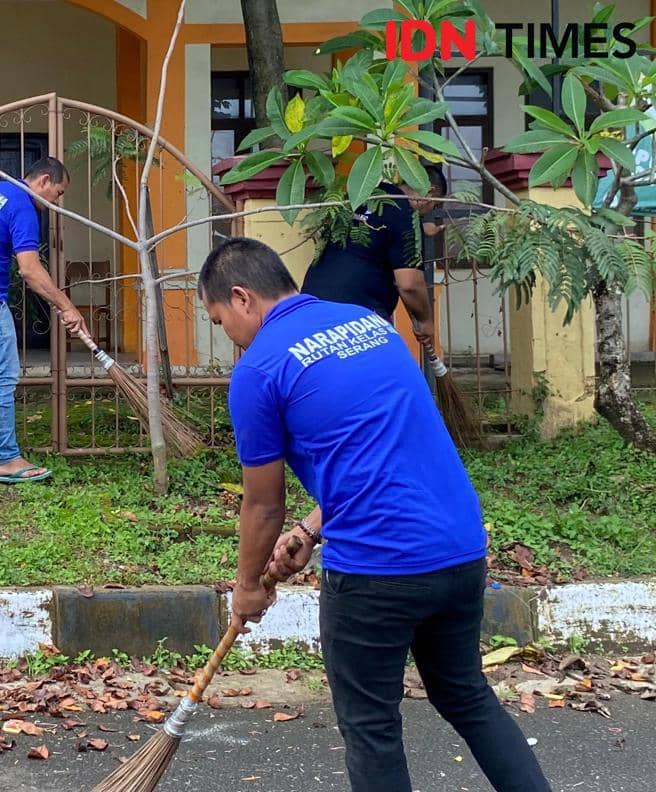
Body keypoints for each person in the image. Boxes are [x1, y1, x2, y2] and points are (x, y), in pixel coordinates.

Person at [199, 237, 550, 792]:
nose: (230, 338)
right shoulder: (371, 326)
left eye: (220, 322)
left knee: (371, 728)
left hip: (378, 570)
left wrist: (246, 587)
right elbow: (380, 448)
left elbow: (263, 503)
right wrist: (312, 529)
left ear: (241, 298)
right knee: (466, 695)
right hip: (459, 550)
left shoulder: (260, 369)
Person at [0, 157, 86, 485]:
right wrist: (67, 306)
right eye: (58, 192)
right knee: (3, 379)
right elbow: (29, 269)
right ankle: (7, 459)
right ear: (44, 181)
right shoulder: (23, 205)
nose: (56, 201)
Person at [301, 166, 447, 349]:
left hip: (308, 308)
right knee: (384, 372)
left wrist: (420, 230)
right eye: (435, 204)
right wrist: (426, 321)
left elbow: (374, 237)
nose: (430, 211)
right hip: (355, 319)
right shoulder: (404, 213)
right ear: (430, 192)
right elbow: (409, 284)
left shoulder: (365, 197)